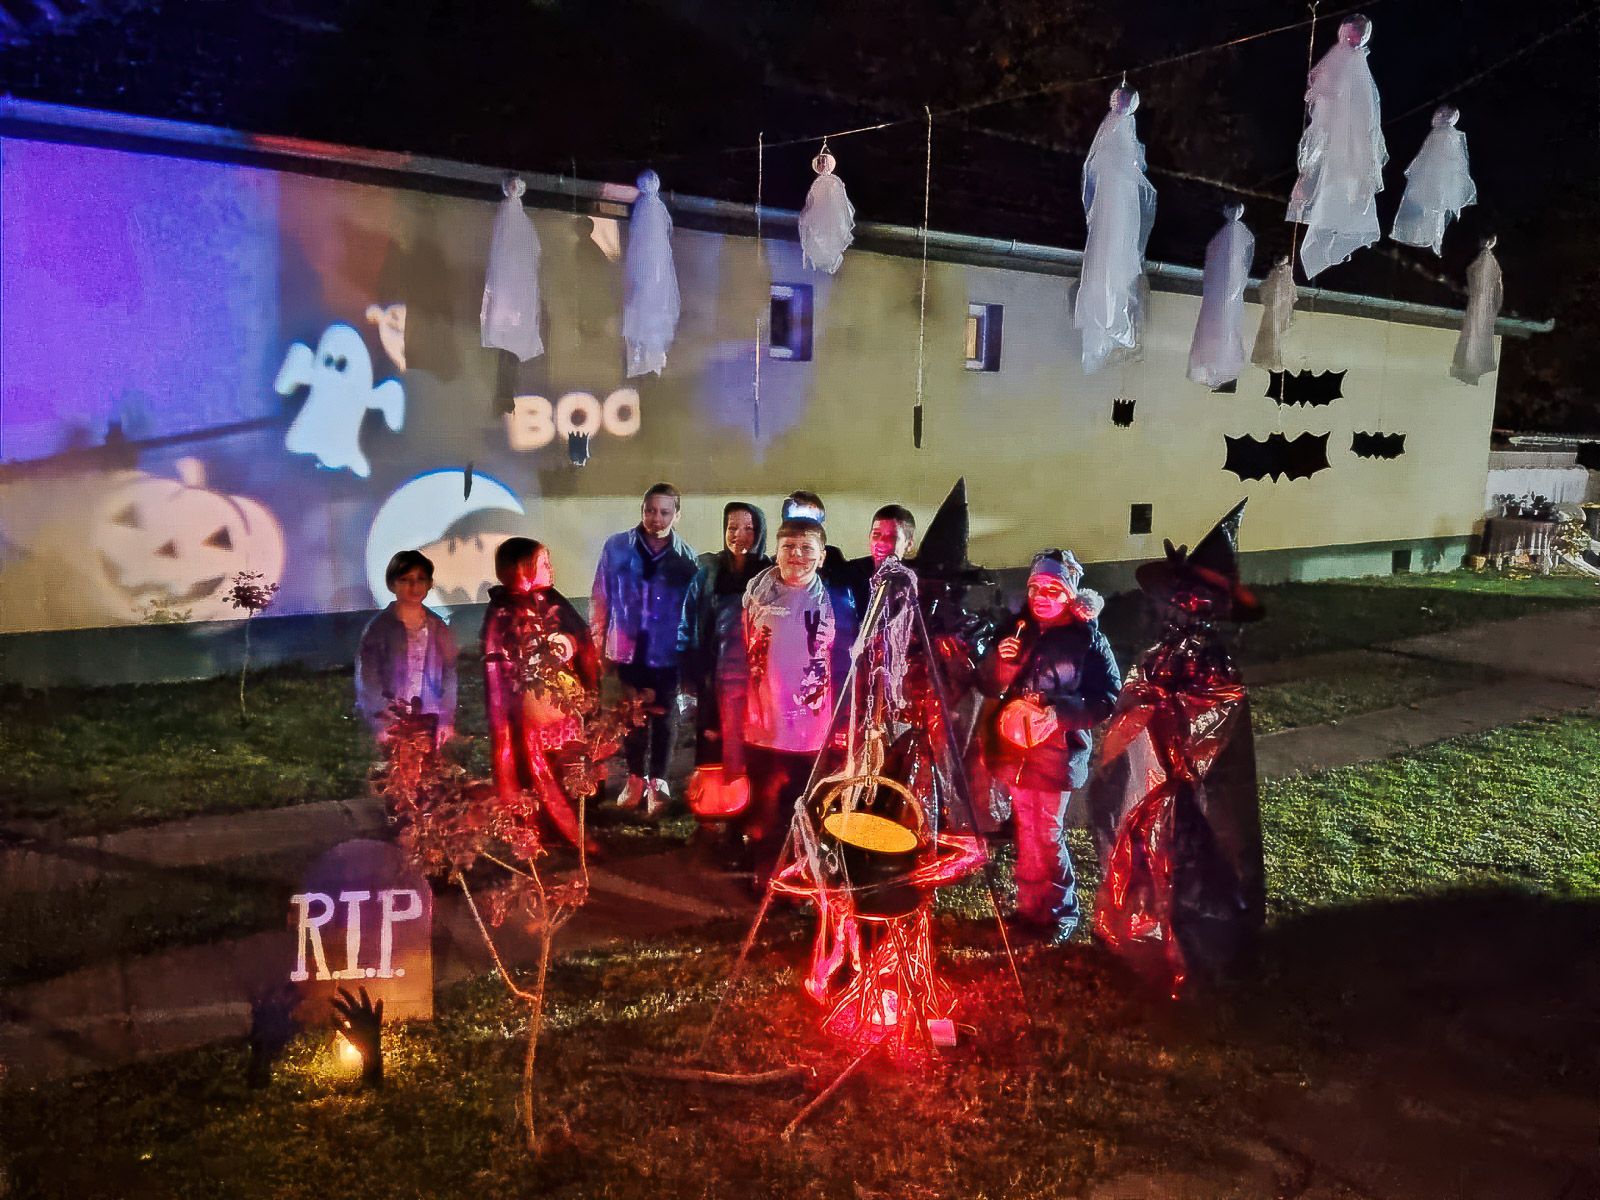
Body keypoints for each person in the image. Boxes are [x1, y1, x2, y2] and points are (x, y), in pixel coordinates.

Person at [977, 549, 1120, 945]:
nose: (1041, 596)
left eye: (1052, 589)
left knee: (1047, 833)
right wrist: (1003, 663)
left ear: (1070, 595)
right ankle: (1029, 910)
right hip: (1015, 749)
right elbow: (989, 684)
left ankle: (1059, 914)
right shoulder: (1018, 629)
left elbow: (1107, 697)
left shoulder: (1087, 639)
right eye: (1035, 588)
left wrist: (1062, 713)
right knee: (1027, 829)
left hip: (1057, 751)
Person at [740, 517, 847, 873]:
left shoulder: (836, 600)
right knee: (764, 800)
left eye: (806, 548)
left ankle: (797, 865)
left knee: (801, 801)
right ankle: (763, 868)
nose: (796, 555)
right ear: (776, 552)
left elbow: (846, 659)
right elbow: (741, 649)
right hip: (763, 721)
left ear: (822, 556)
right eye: (788, 547)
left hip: (810, 727)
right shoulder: (756, 594)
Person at [482, 537, 601, 852]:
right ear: (522, 569)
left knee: (570, 763)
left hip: (565, 709)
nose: (551, 568)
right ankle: (550, 827)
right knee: (538, 770)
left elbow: (580, 636)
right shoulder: (503, 613)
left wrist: (569, 644)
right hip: (532, 715)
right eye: (544, 563)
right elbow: (500, 671)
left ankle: (579, 818)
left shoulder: (553, 601)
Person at [590, 483, 698, 816]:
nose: (656, 518)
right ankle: (635, 777)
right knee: (631, 714)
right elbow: (601, 595)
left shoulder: (687, 558)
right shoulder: (617, 547)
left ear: (677, 515)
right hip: (626, 647)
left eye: (664, 512)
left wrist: (689, 655)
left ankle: (658, 781)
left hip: (667, 652)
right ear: (642, 510)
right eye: (650, 510)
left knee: (664, 716)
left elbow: (692, 611)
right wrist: (598, 642)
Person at [677, 501, 770, 812]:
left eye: (748, 529)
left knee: (751, 752)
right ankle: (712, 816)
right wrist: (688, 676)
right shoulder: (707, 574)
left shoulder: (770, 576)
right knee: (712, 749)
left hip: (757, 686)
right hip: (713, 679)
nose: (739, 535)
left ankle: (747, 814)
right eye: (732, 528)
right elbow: (688, 626)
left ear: (760, 533)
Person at [355, 549, 457, 748]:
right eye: (405, 580)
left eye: (421, 579)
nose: (414, 586)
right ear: (392, 584)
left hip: (429, 720)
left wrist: (446, 719)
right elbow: (369, 678)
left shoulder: (437, 626)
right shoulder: (379, 628)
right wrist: (381, 721)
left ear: (430, 583)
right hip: (393, 722)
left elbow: (449, 675)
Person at [841, 503, 916, 618]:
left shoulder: (912, 581)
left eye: (892, 537)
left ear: (909, 544)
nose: (882, 542)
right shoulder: (849, 573)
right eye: (876, 535)